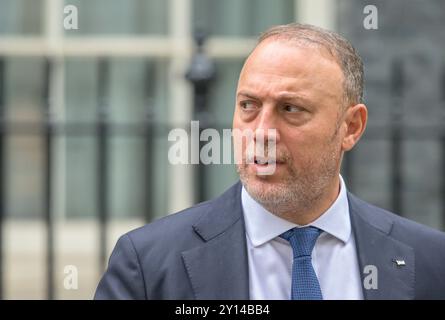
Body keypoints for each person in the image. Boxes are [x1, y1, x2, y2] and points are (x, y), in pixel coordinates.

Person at [94, 23, 445, 300]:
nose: (261, 132)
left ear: (351, 127)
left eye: (290, 109)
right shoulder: (149, 266)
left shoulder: (431, 262)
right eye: (248, 105)